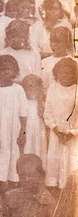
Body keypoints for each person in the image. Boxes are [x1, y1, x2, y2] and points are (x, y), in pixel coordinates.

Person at [0, 54, 29, 188]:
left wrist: (22, 131)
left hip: (14, 126)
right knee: (0, 149)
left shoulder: (18, 89)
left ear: (15, 71)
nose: (6, 72)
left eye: (10, 69)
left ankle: (13, 180)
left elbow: (23, 112)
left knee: (13, 151)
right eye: (3, 69)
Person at [43, 58, 78, 190]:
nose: (65, 76)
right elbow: (48, 113)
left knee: (71, 164)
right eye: (62, 73)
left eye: (69, 73)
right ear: (56, 74)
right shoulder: (53, 88)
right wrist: (56, 130)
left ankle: (69, 190)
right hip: (56, 134)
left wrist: (71, 133)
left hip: (72, 136)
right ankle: (55, 190)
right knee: (55, 163)